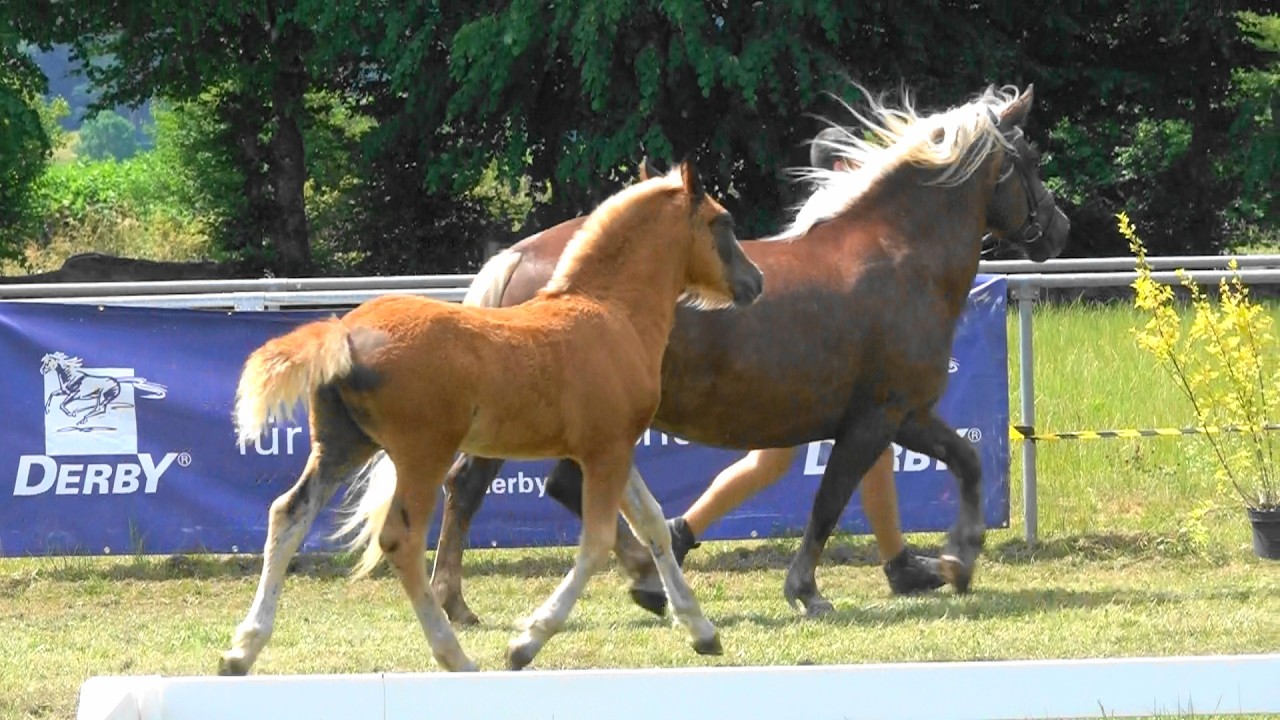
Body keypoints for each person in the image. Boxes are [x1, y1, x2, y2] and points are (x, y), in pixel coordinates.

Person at [663, 127, 946, 596]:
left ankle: (681, 534)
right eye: (857, 160)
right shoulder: (834, 225)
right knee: (846, 451)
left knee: (785, 463)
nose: (867, 166)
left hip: (811, 365)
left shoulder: (834, 222)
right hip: (808, 367)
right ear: (839, 168)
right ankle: (896, 564)